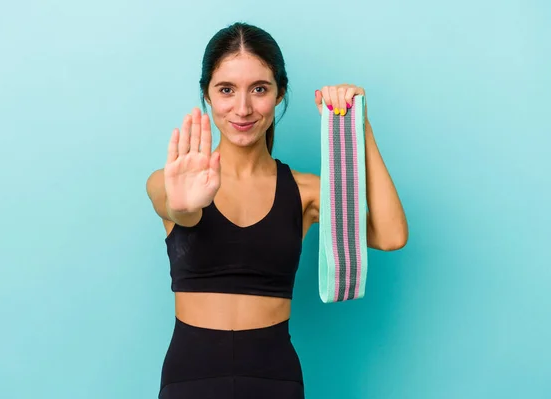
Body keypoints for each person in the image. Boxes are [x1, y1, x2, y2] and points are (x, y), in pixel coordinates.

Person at [146, 21, 408, 399]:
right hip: (191, 379)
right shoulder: (170, 183)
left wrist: (359, 123)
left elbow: (390, 235)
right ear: (207, 94)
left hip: (274, 379)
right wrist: (184, 209)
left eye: (259, 89)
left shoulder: (305, 192)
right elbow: (178, 208)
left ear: (279, 93)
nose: (243, 107)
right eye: (226, 90)